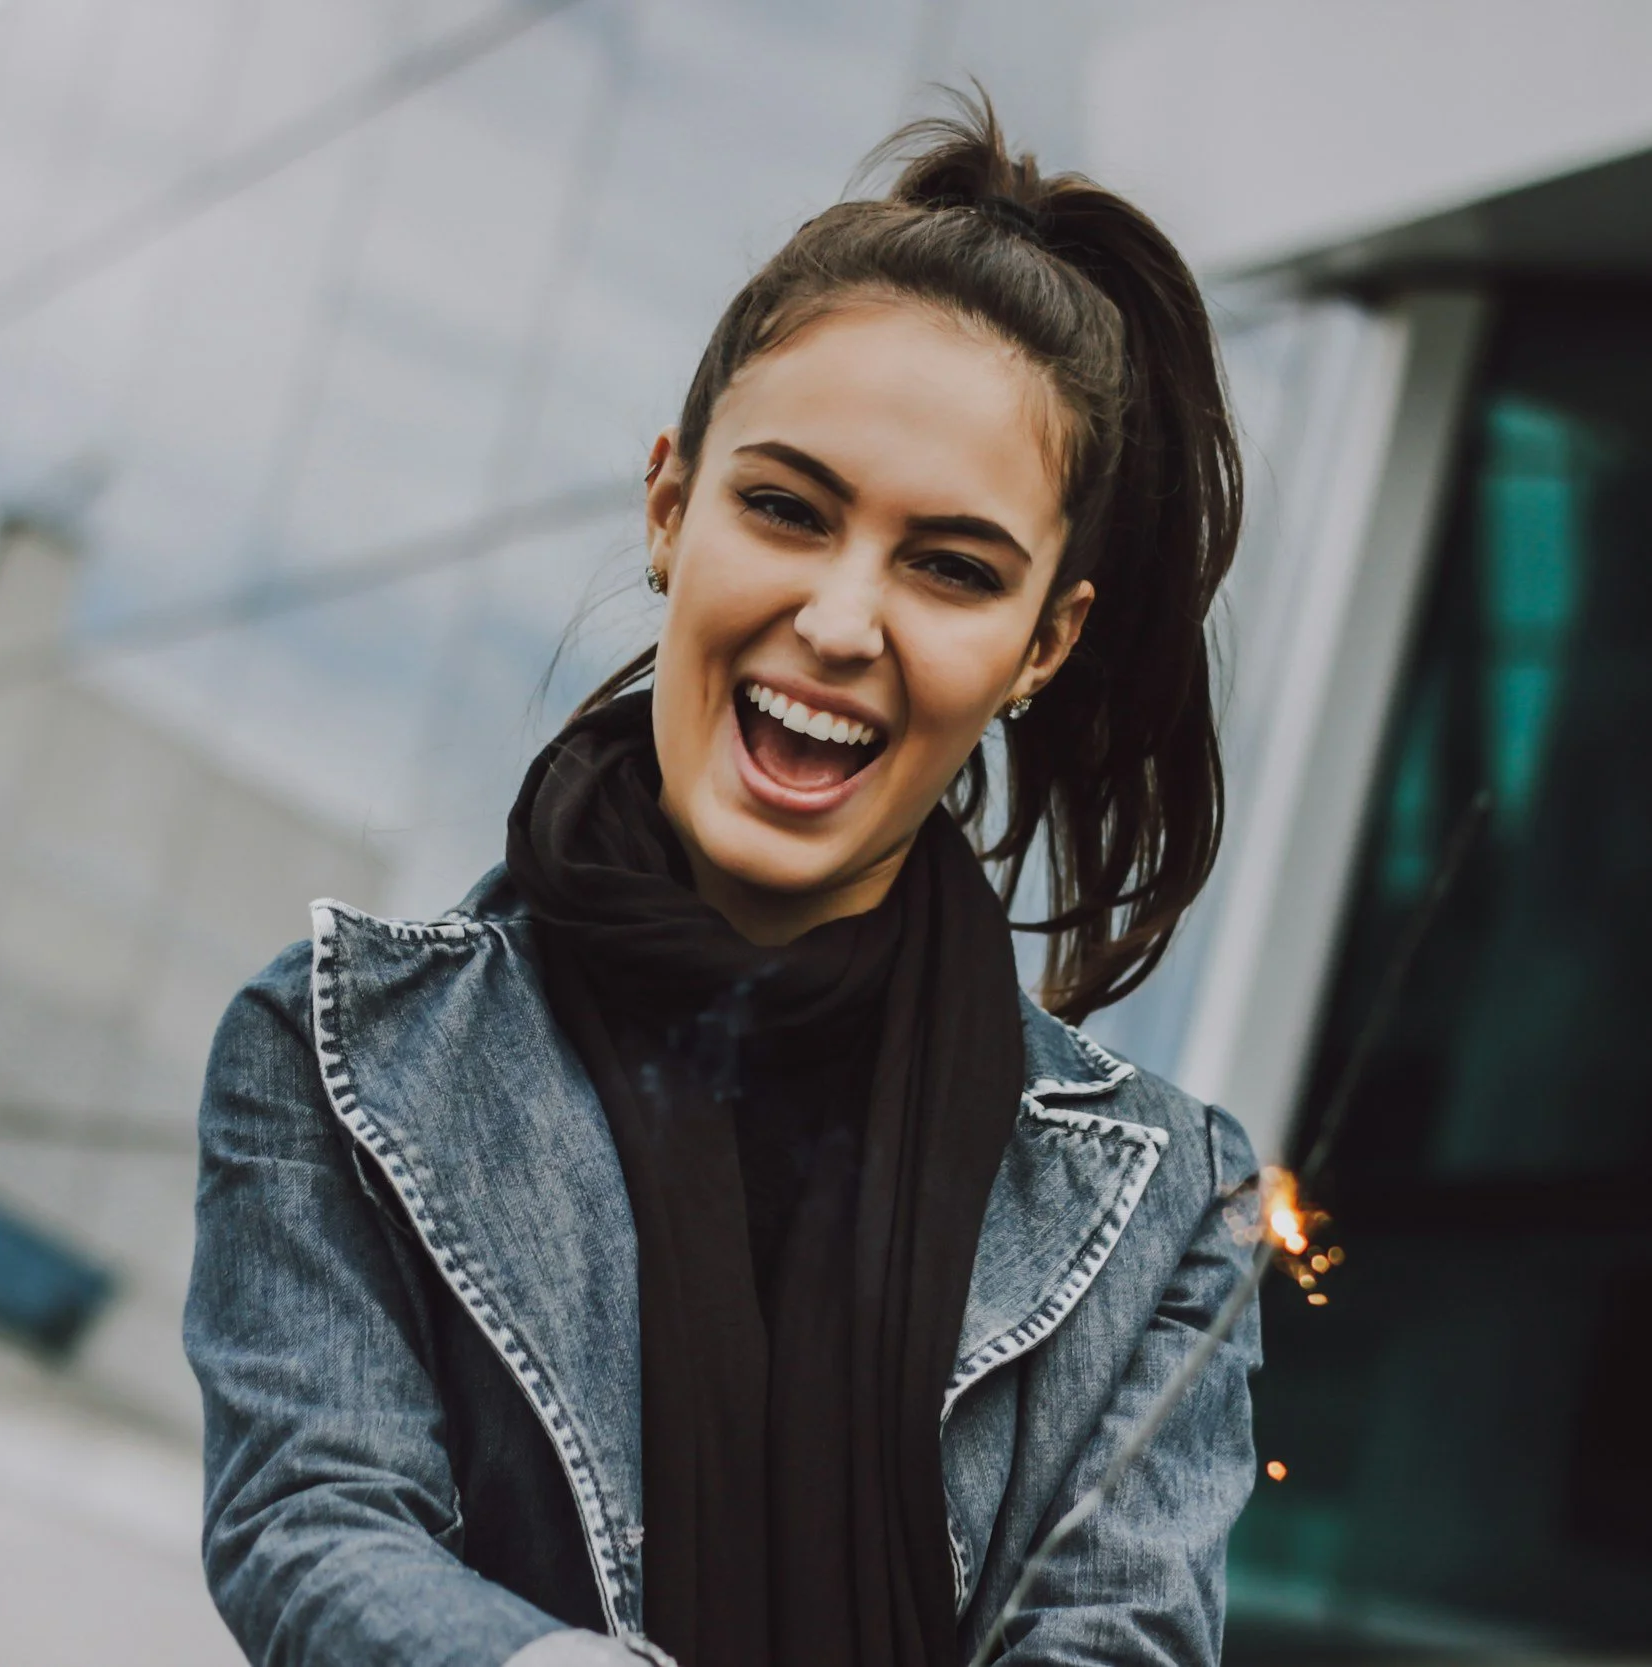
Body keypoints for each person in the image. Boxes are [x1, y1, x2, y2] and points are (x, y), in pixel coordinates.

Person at [183, 93, 1260, 1667]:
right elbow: (311, 1521)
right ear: (671, 506)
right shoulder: (340, 1059)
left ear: (1045, 643)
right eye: (787, 508)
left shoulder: (1167, 1211)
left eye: (951, 567)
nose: (840, 618)